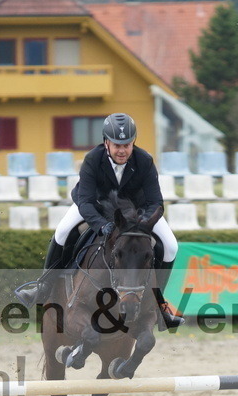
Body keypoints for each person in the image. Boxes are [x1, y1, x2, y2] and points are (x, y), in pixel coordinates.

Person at [16, 113, 183, 328]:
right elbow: (84, 201)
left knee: (170, 246)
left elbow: (155, 201)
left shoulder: (144, 161)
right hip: (96, 207)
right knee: (62, 232)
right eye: (117, 145)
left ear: (133, 143)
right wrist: (101, 225)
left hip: (135, 212)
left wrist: (141, 223)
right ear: (106, 142)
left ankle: (159, 304)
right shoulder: (93, 159)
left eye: (127, 145)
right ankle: (43, 287)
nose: (122, 150)